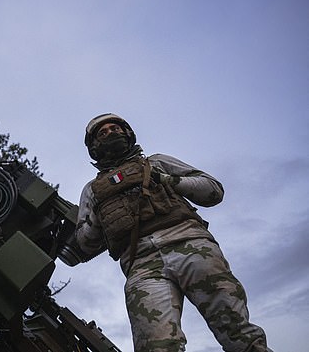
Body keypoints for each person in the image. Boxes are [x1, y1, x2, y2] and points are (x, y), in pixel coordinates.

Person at [75, 113, 270, 352]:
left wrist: (166, 179)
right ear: (94, 146)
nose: (110, 133)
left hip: (190, 244)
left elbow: (213, 191)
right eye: (102, 133)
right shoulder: (92, 191)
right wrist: (99, 211)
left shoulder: (155, 162)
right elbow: (85, 244)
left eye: (115, 128)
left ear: (127, 133)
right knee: (156, 347)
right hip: (141, 266)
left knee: (238, 333)